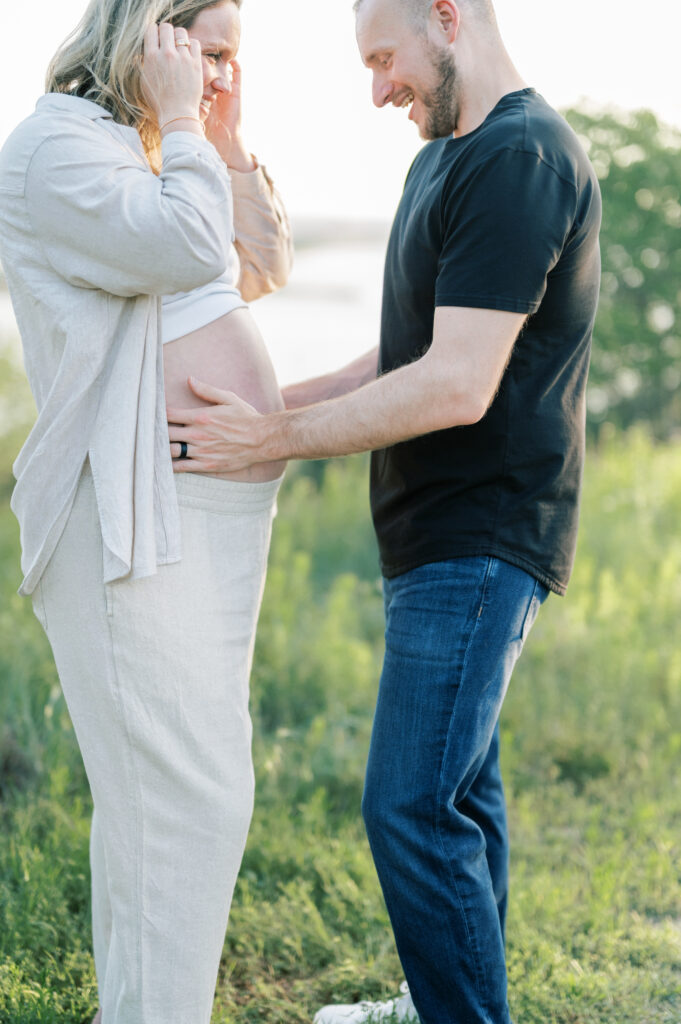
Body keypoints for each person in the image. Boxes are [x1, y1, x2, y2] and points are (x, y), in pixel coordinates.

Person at [166, 0, 602, 1021]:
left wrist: (268, 444)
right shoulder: (443, 162)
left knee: (408, 805)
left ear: (447, 16)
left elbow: (455, 386)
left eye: (384, 58)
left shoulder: (521, 158)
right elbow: (398, 361)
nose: (377, 89)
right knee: (460, 795)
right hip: (434, 537)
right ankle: (440, 1001)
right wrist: (265, 411)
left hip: (485, 536)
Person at [0, 0, 291, 1021]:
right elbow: (179, 249)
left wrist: (222, 137)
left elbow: (255, 269)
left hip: (214, 515)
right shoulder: (56, 149)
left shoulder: (164, 151)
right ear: (143, 31)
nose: (215, 72)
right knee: (186, 807)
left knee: (156, 811)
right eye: (202, 50)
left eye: (230, 58)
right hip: (133, 512)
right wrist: (180, 129)